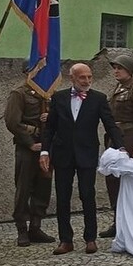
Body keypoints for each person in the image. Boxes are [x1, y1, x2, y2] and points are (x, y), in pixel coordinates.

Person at [40, 63, 124, 255]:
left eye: (89, 77)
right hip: (63, 155)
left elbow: (110, 125)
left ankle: (90, 238)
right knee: (63, 197)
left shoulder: (99, 99)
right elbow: (50, 128)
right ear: (72, 79)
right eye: (82, 78)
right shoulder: (59, 98)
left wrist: (120, 148)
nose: (86, 81)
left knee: (87, 195)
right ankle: (65, 240)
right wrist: (45, 152)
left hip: (87, 154)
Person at [4, 61, 56, 247]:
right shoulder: (19, 93)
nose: (42, 72)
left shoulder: (50, 94)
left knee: (43, 187)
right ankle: (22, 229)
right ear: (28, 72)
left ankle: (36, 226)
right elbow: (12, 122)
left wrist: (50, 117)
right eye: (38, 68)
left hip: (46, 148)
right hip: (27, 148)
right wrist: (30, 141)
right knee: (24, 188)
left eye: (44, 68)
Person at [99, 55, 133, 238]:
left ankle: (130, 223)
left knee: (126, 182)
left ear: (129, 70)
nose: (115, 71)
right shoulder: (118, 88)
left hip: (129, 140)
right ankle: (117, 220)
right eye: (114, 68)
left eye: (119, 68)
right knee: (113, 181)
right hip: (114, 139)